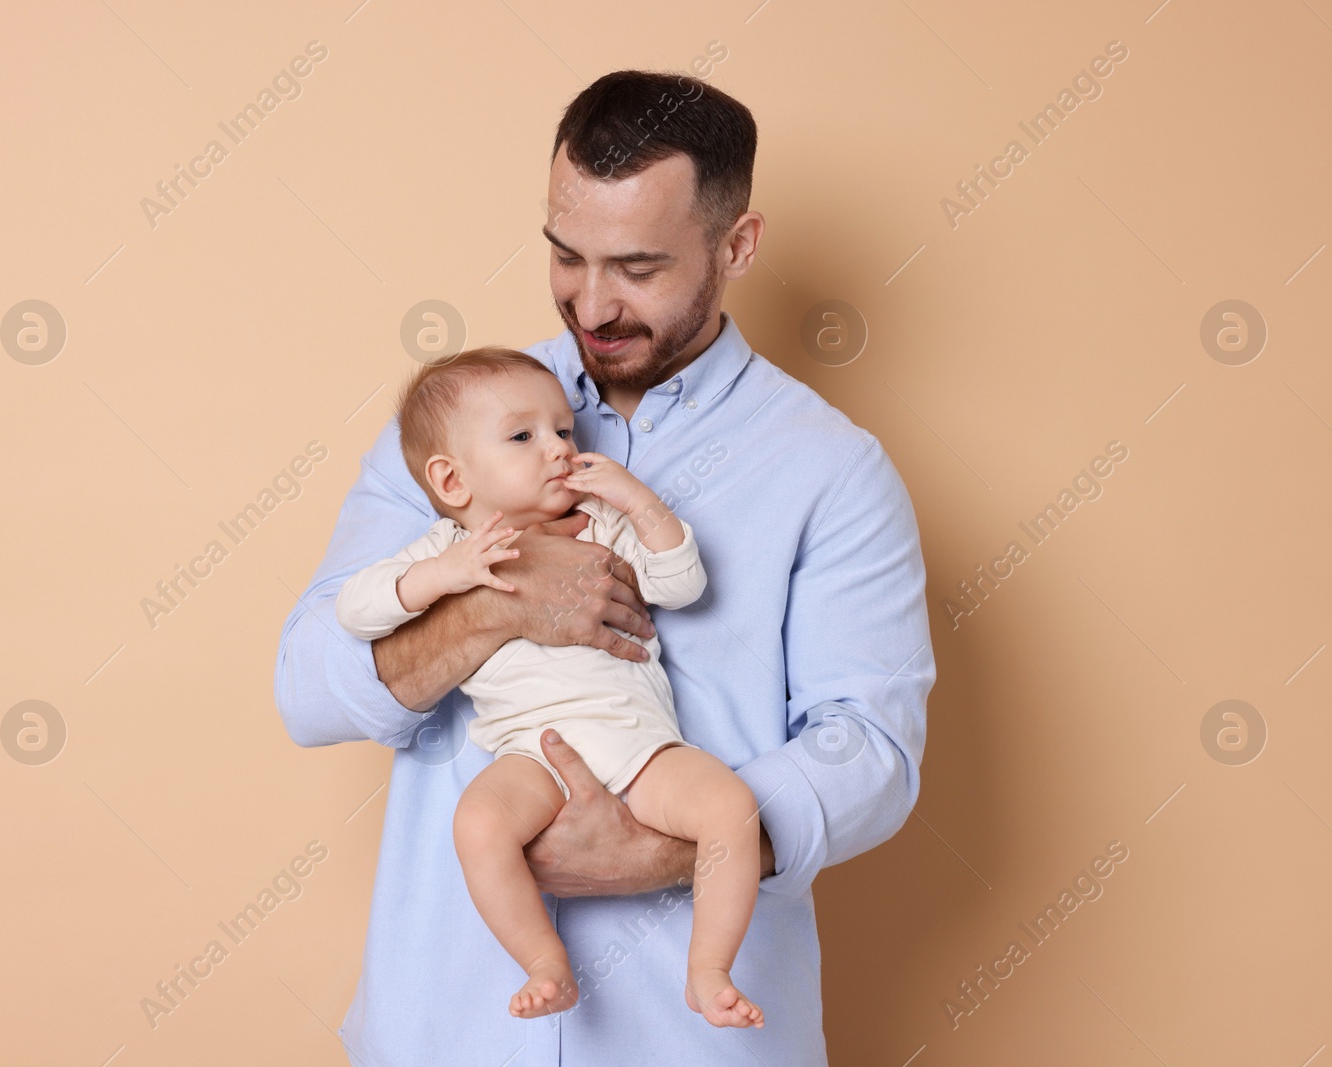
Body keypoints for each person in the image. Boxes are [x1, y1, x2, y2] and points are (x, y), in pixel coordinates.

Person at [274, 69, 934, 1066]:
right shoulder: (457, 423)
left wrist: (656, 852)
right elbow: (306, 688)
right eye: (565, 255)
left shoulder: (832, 470)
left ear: (737, 246)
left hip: (697, 1040)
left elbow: (871, 750)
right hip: (451, 1024)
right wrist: (493, 609)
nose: (592, 301)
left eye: (636, 265)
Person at [331, 345, 765, 1027]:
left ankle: (709, 970)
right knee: (478, 823)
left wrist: (638, 502)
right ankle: (544, 961)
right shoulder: (448, 551)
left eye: (564, 430)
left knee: (732, 808)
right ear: (452, 481)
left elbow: (683, 582)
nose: (559, 449)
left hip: (639, 745)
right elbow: (357, 609)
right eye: (523, 437)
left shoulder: (605, 527)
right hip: (533, 754)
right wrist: (447, 576)